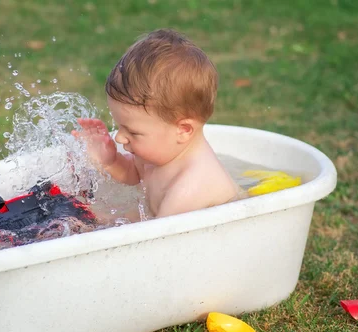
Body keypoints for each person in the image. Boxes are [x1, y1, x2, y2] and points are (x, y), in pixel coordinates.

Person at [73, 29, 241, 218]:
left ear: (183, 130)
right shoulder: (161, 150)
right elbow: (134, 173)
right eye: (119, 126)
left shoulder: (188, 190)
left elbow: (157, 241)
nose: (119, 137)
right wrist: (110, 161)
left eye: (133, 132)